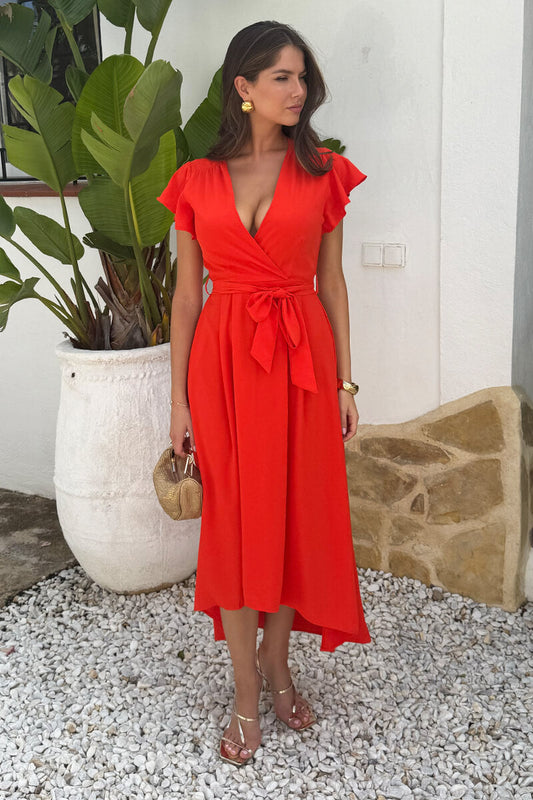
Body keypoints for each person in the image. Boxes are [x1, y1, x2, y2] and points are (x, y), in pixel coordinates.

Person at [157, 20, 371, 767]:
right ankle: (245, 687)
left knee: (291, 518)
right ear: (243, 87)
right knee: (236, 524)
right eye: (282, 76)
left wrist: (346, 382)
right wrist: (178, 401)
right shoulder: (195, 179)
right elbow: (187, 299)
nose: (297, 89)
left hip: (301, 363)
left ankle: (278, 664)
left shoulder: (325, 172)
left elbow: (332, 285)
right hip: (221, 367)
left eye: (302, 77)